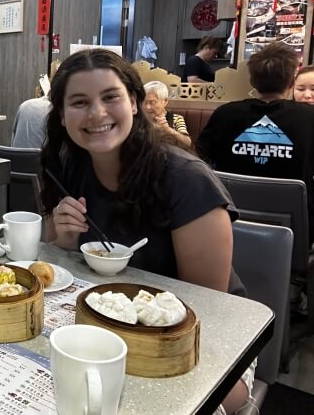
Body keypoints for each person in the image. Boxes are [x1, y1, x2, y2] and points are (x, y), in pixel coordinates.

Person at [40, 49, 251, 414]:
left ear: (135, 102)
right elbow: (51, 247)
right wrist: (63, 238)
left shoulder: (185, 179)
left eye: (111, 97)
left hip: (205, 338)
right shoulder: (70, 164)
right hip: (110, 323)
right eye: (79, 102)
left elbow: (207, 308)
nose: (97, 114)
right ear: (62, 114)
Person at [198, 42, 314, 247]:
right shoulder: (308, 119)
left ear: (253, 81)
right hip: (293, 239)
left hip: (226, 231)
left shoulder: (225, 115)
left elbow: (199, 161)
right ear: (290, 83)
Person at [142, 81, 191, 147]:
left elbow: (188, 142)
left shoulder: (176, 119)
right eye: (145, 103)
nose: (147, 107)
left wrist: (168, 130)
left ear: (165, 101)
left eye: (152, 102)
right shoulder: (140, 118)